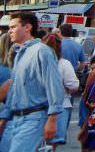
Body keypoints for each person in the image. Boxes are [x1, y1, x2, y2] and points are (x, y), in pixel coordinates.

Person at [0, 12, 64, 152]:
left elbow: (54, 85)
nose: (9, 31)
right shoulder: (18, 53)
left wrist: (52, 119)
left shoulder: (42, 51)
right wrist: (4, 118)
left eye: (13, 27)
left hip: (33, 118)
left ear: (27, 27)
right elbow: (14, 90)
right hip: (15, 119)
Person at [44, 33, 79, 151]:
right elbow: (74, 85)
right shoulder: (64, 64)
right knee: (53, 142)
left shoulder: (39, 62)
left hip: (39, 104)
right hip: (61, 104)